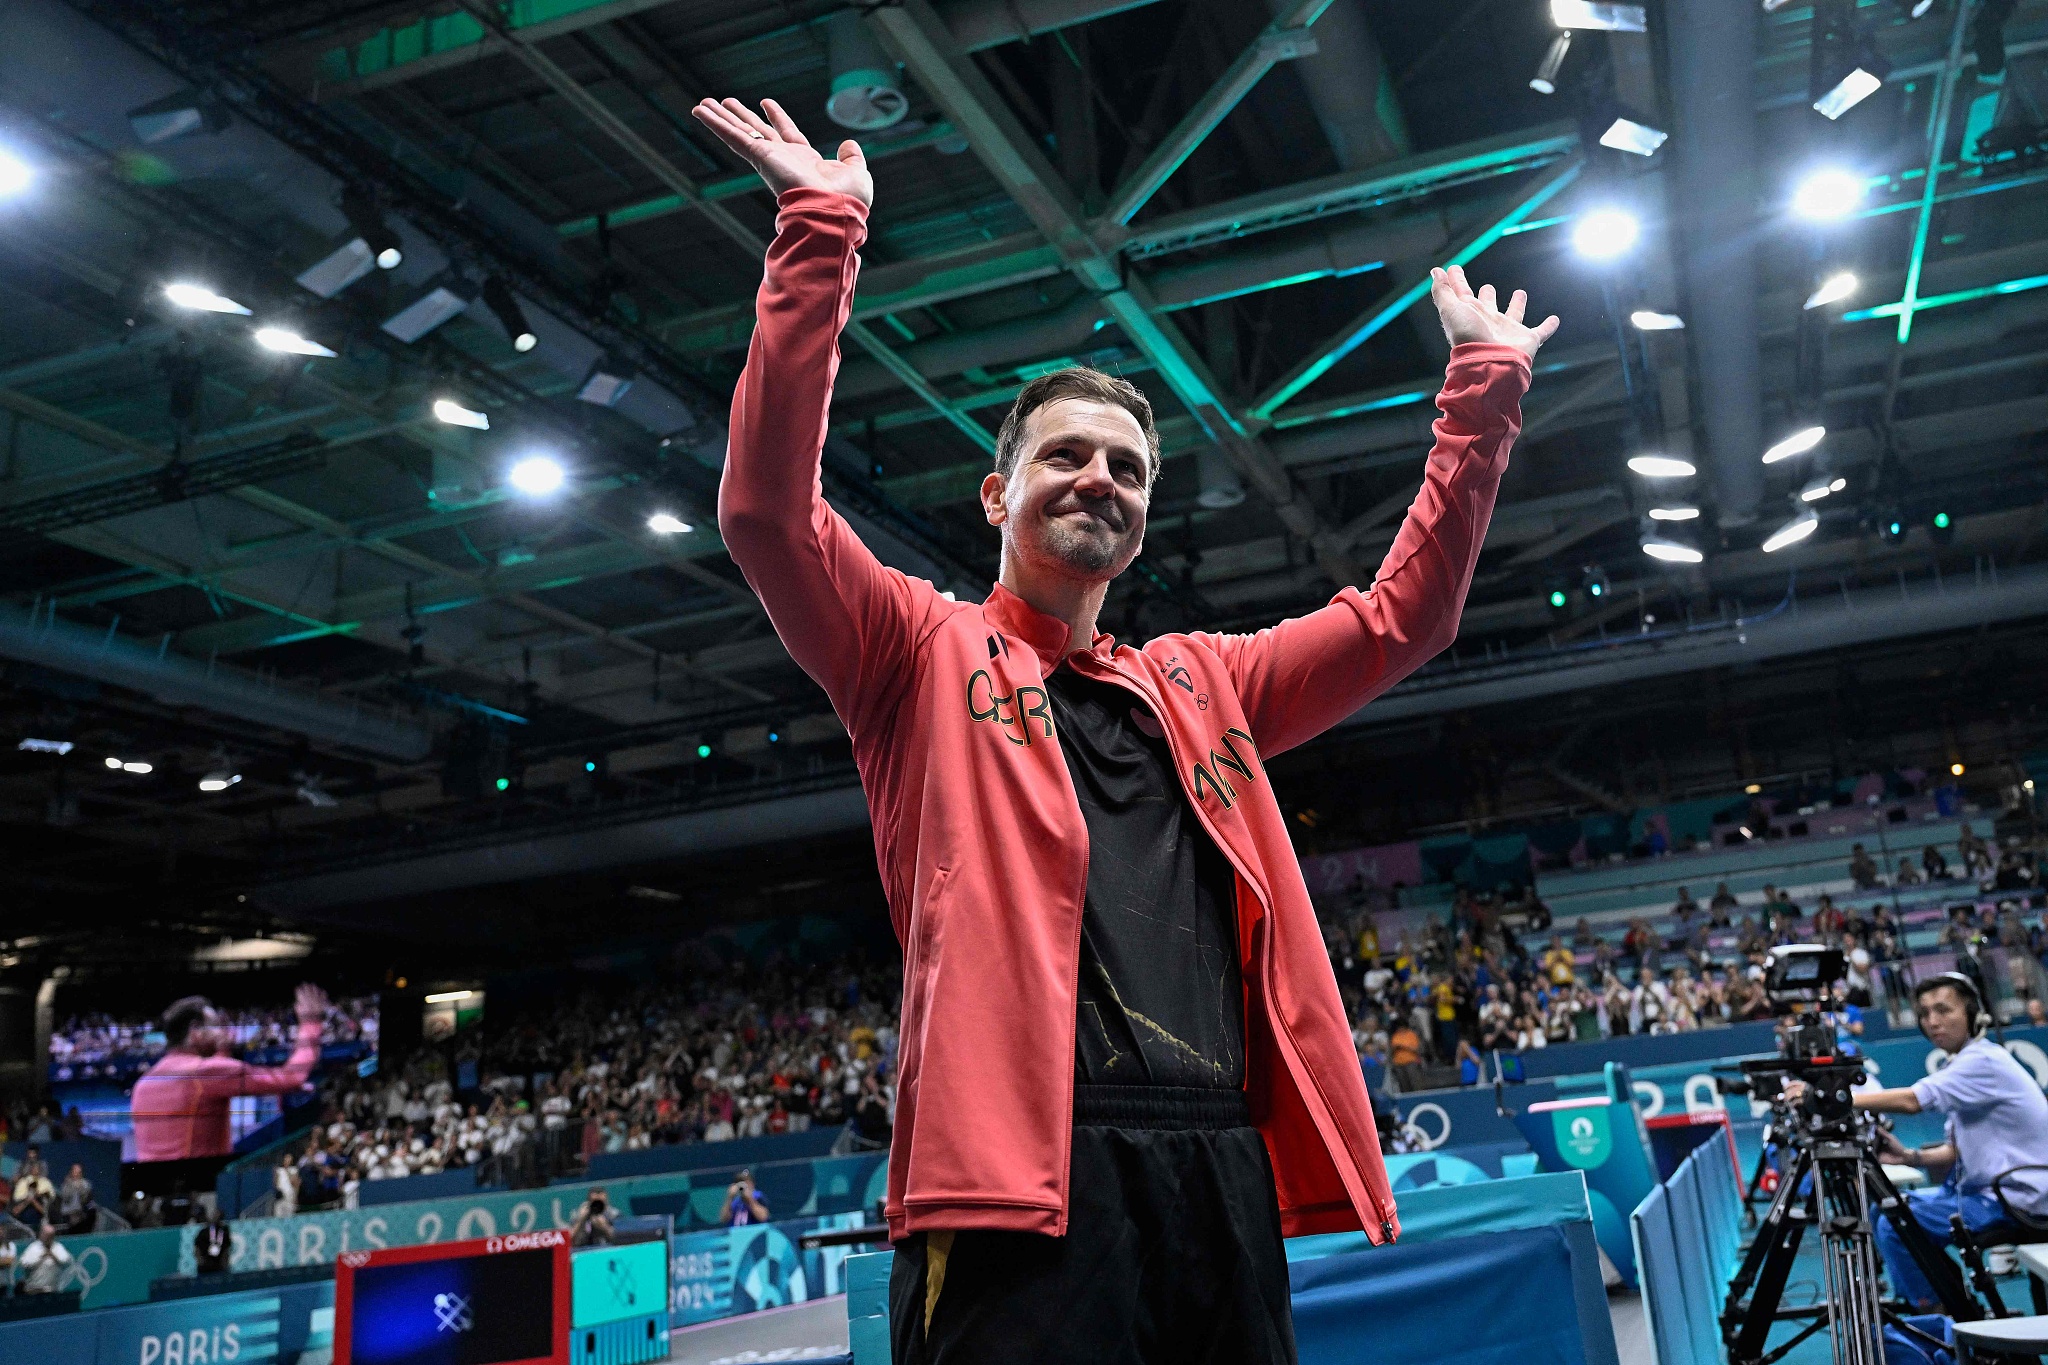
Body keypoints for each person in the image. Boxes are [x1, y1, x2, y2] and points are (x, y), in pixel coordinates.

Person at [689, 91, 1558, 1365]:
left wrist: (1480, 394)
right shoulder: (913, 651)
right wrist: (820, 232)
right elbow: (768, 511)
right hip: (1018, 1176)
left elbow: (1399, 622)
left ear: (1144, 514)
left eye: (1128, 467)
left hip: (1214, 1158)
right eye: (1063, 456)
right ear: (998, 491)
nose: (1097, 476)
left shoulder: (1207, 683)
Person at [1787, 974, 2048, 1311]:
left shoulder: (1982, 1061)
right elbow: (1955, 1152)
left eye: (1943, 1010)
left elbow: (1913, 1100)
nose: (1932, 1021)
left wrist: (1829, 1097)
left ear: (1973, 1014)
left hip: (2016, 1200)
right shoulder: (1967, 1063)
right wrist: (1909, 1157)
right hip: (1985, 1192)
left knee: (1899, 1224)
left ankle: (1940, 1320)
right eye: (1924, 1014)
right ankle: (1957, 1306)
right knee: (1885, 1209)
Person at [131, 984, 329, 1161]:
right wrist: (311, 1023)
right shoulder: (206, 1072)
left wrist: (222, 1052)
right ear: (195, 1031)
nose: (224, 1032)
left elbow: (202, 1098)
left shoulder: (143, 1083)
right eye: (216, 1026)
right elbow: (293, 1077)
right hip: (200, 1186)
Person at [17, 1222, 73, 1294]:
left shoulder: (58, 1247)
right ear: (41, 1235)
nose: (48, 1239)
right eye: (46, 1236)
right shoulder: (33, 1248)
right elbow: (24, 1263)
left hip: (53, 1289)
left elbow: (66, 1261)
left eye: (50, 1236)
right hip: (34, 1290)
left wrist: (52, 1255)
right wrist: (41, 1257)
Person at [194, 1204, 233, 1275]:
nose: (216, 1217)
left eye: (218, 1216)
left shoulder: (224, 1232)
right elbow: (197, 1247)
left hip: (218, 1264)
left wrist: (225, 1263)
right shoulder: (204, 1232)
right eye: (214, 1215)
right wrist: (200, 1261)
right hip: (205, 1263)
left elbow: (226, 1249)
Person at [55, 1163, 93, 1235]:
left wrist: (79, 1187)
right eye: (75, 1171)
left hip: (81, 1212)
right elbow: (65, 1197)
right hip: (68, 1212)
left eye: (78, 1172)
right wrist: (72, 1185)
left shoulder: (85, 1183)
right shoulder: (66, 1184)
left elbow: (85, 1197)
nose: (76, 1174)